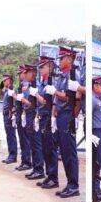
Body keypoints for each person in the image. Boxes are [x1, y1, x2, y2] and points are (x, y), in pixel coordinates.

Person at [52, 47, 81, 198]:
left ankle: (74, 185)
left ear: (69, 58)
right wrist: (54, 111)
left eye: (62, 58)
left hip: (68, 116)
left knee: (70, 152)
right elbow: (59, 99)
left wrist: (73, 117)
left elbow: (73, 98)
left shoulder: (73, 76)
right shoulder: (63, 76)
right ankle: (70, 183)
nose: (59, 61)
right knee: (64, 152)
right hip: (61, 116)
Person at [36, 57, 59, 189]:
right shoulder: (43, 83)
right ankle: (49, 175)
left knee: (51, 149)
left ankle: (54, 178)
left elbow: (46, 102)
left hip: (49, 117)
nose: (40, 69)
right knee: (45, 148)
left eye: (42, 67)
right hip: (42, 117)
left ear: (50, 67)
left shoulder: (51, 83)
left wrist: (36, 95)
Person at [0, 74, 17, 163]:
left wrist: (13, 113)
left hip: (9, 114)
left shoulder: (12, 90)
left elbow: (16, 101)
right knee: (8, 136)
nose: (3, 82)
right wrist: (1, 85)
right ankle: (10, 155)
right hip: (5, 114)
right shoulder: (6, 90)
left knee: (11, 135)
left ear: (9, 80)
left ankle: (13, 156)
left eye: (4, 80)